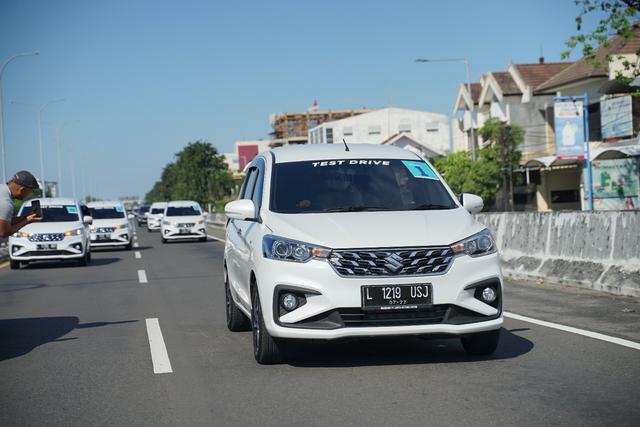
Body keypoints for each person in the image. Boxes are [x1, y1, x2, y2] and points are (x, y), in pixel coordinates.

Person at [0, 170, 42, 238]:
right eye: (30, 192)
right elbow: (3, 232)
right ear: (22, 190)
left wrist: (25, 217)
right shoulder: (6, 203)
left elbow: (4, 222)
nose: (29, 195)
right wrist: (27, 221)